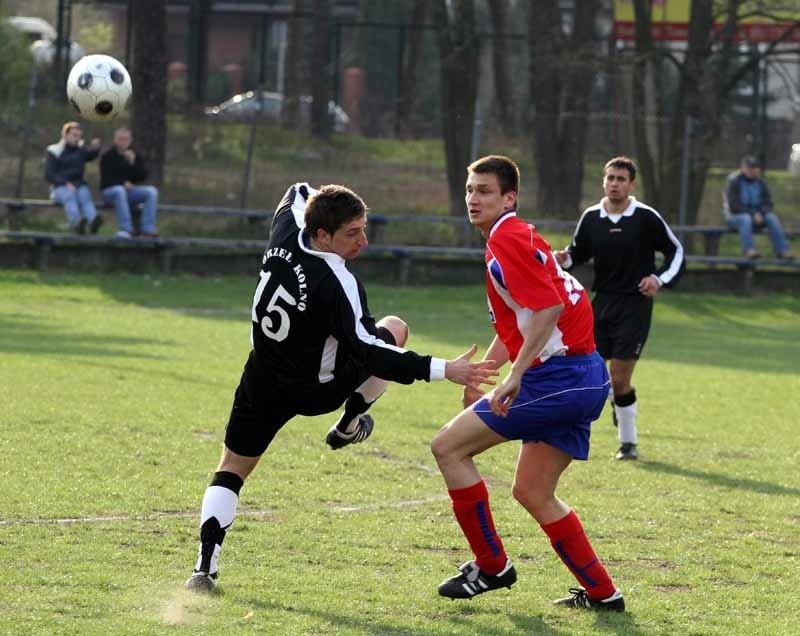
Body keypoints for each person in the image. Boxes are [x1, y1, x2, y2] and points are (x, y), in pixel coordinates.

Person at [185, 182, 498, 593]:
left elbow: (295, 190)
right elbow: (373, 354)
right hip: (319, 389)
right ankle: (350, 421)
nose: (363, 242)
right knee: (394, 330)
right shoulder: (336, 282)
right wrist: (444, 369)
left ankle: (203, 570)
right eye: (352, 233)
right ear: (321, 235)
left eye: (363, 229)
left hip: (261, 378)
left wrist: (321, 197)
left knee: (230, 471)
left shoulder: (286, 230)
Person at [432, 155, 625, 612]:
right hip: (581, 376)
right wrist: (491, 371)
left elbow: (548, 308)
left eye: (485, 191)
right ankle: (603, 593)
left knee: (448, 448)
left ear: (509, 198)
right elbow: (525, 319)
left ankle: (492, 565)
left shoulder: (509, 240)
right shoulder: (514, 236)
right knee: (533, 491)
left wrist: (515, 375)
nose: (474, 199)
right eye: (470, 190)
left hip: (561, 376)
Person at [554, 156, 684, 461]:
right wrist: (564, 259)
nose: (614, 184)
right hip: (601, 303)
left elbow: (676, 251)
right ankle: (598, 409)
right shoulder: (591, 217)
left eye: (621, 179)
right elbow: (578, 253)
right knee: (589, 370)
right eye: (610, 178)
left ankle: (628, 443)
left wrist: (659, 279)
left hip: (635, 306)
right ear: (604, 181)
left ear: (631, 184)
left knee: (620, 377)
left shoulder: (645, 217)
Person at [725, 155, 792, 260]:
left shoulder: (761, 184)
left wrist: (761, 213)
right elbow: (734, 206)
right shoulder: (735, 183)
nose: (753, 170)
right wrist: (752, 215)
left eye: (755, 167)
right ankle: (749, 250)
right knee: (745, 218)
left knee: (771, 217)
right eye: (750, 167)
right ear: (743, 168)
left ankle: (782, 251)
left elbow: (768, 203)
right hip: (735, 217)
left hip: (758, 216)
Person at [100, 127, 159, 238]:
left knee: (151, 191)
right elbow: (106, 179)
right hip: (109, 192)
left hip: (128, 193)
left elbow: (142, 176)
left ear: (130, 140)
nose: (123, 142)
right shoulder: (107, 156)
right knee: (119, 190)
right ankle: (126, 229)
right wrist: (122, 182)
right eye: (120, 139)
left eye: (126, 139)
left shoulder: (135, 155)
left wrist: (132, 162)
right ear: (115, 140)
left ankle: (147, 229)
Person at [44, 121, 102, 235]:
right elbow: (49, 174)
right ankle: (77, 223)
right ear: (65, 135)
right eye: (74, 135)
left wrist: (96, 148)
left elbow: (90, 155)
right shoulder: (54, 150)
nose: (77, 138)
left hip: (79, 185)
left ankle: (93, 221)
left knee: (85, 196)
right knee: (69, 195)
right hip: (59, 188)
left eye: (79, 136)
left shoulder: (81, 150)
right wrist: (65, 183)